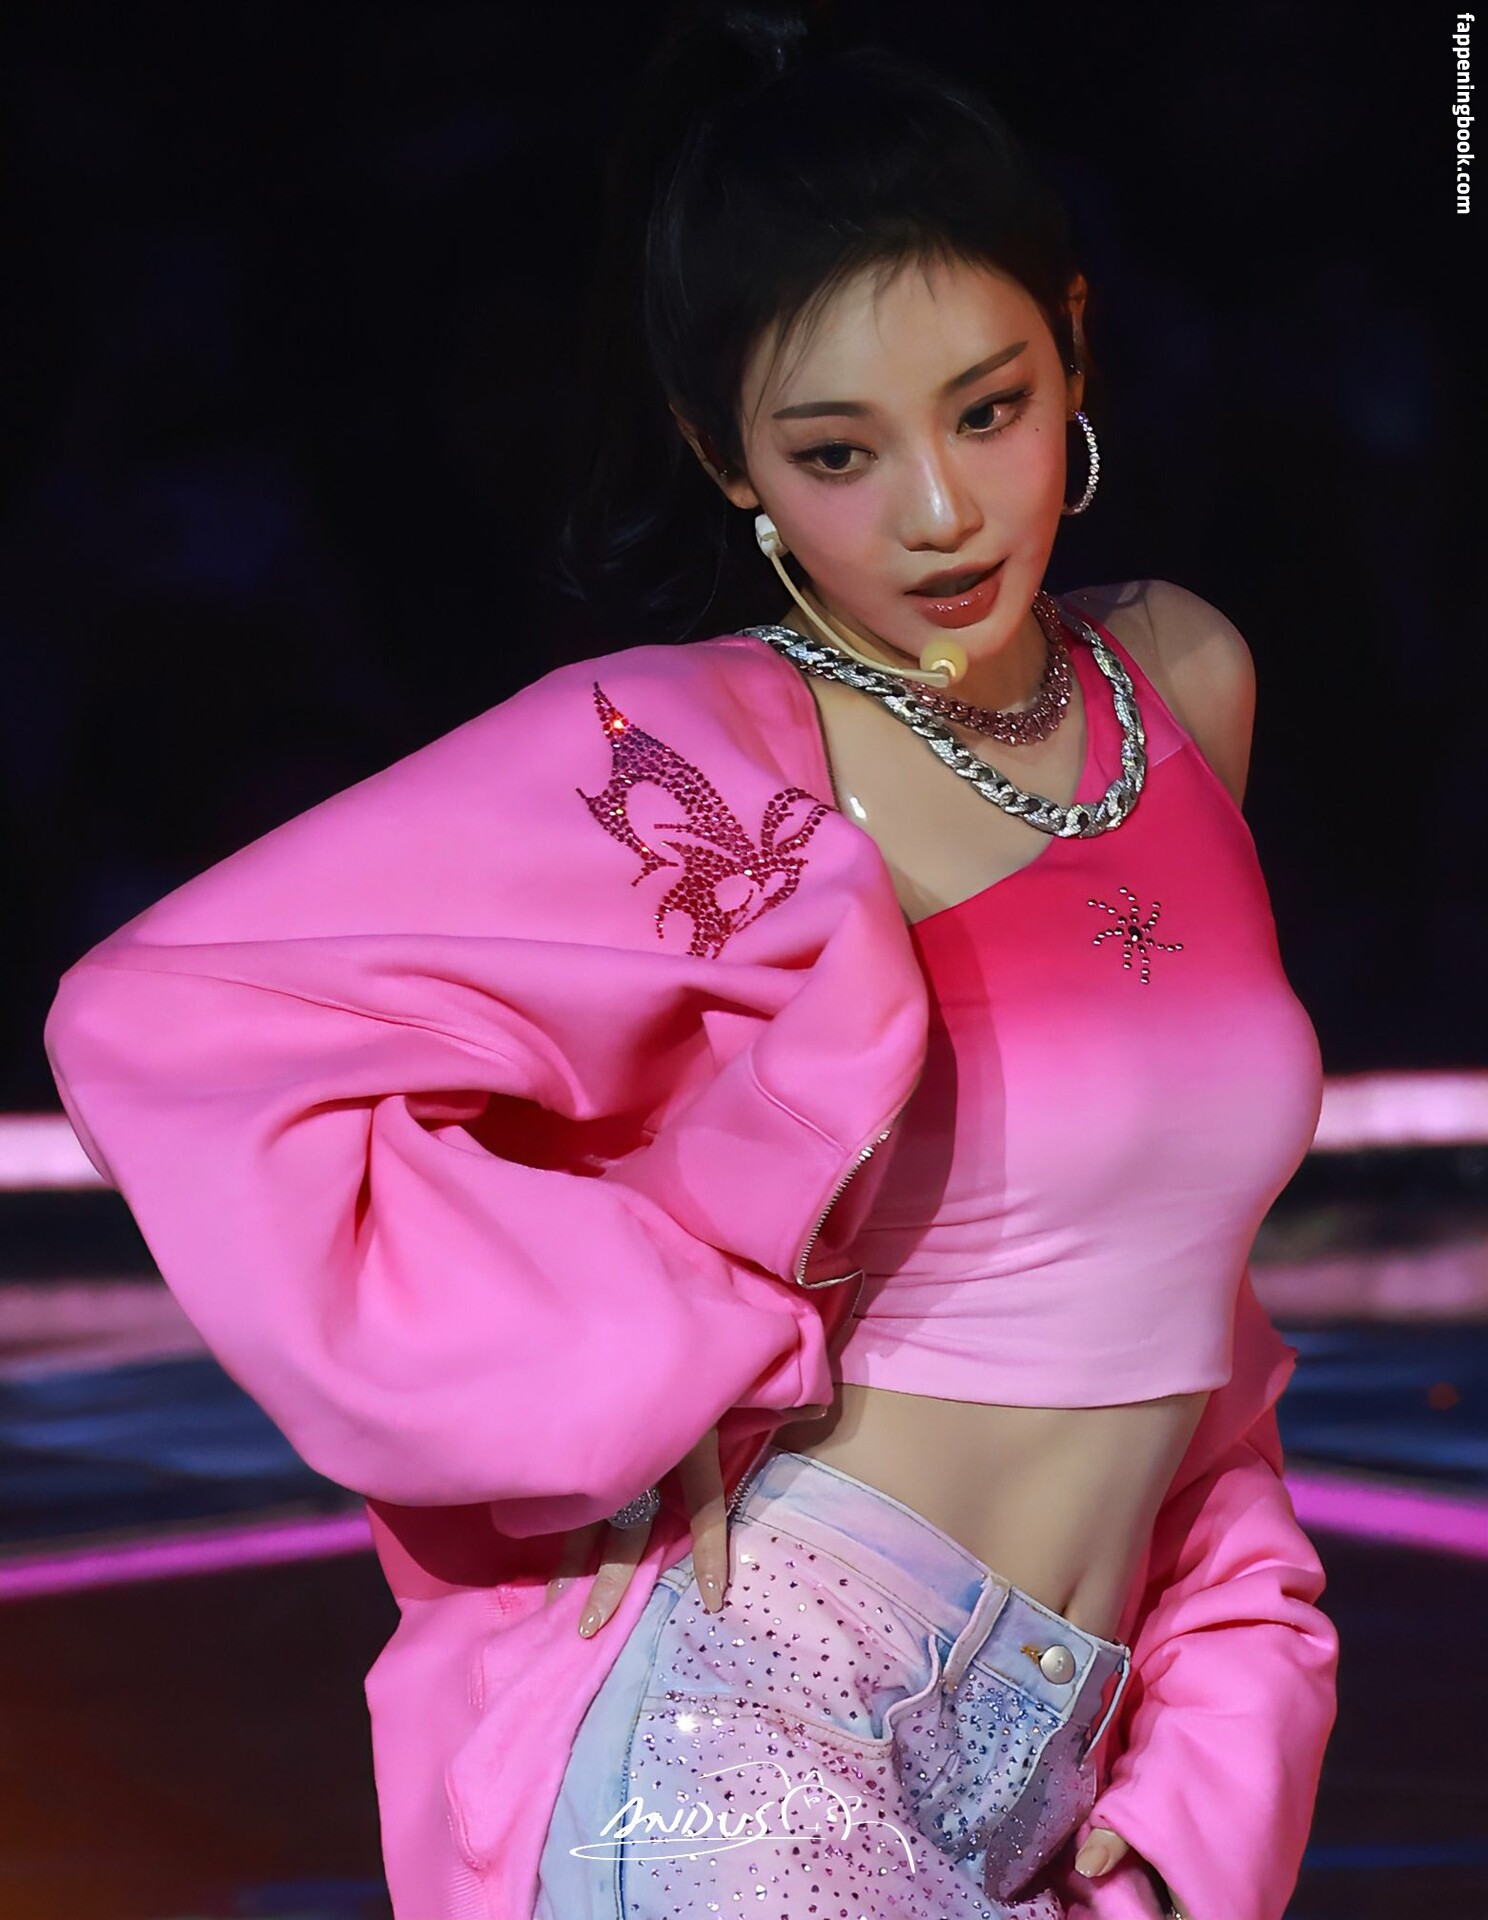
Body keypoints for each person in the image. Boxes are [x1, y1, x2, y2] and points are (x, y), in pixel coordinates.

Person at [43, 7, 1338, 1919]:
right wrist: (630, 1377)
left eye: (989, 410)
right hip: (756, 1720)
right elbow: (163, 1015)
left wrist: (1213, 1712)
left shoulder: (1184, 684)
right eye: (837, 451)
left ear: (1073, 342)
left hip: (1062, 1751)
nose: (937, 510)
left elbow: (1184, 1300)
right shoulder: (703, 753)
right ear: (722, 454)